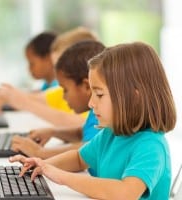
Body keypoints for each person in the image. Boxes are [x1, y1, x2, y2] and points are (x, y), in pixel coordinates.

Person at [10, 42, 176, 200]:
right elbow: (79, 159)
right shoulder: (110, 134)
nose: (91, 103)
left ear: (134, 97)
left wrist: (62, 177)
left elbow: (125, 192)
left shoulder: (151, 146)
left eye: (99, 94)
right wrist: (43, 166)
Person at [10, 40, 105, 159]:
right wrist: (54, 132)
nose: (64, 97)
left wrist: (40, 153)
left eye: (65, 90)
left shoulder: (103, 112)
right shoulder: (95, 112)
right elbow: (83, 133)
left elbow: (89, 148)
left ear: (86, 86)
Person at [0, 26, 98, 127]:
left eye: (61, 66)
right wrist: (11, 95)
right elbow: (39, 98)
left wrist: (22, 102)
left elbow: (80, 124)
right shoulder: (61, 91)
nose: (56, 72)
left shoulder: (96, 103)